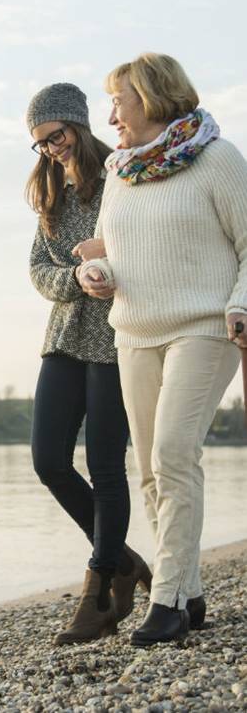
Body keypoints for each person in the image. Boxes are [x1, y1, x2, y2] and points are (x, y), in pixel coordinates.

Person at [76, 52, 247, 646]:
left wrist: (240, 303)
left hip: (205, 327)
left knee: (174, 455)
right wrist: (97, 273)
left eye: (118, 100)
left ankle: (167, 601)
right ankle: (190, 590)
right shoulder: (122, 172)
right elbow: (118, 253)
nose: (111, 114)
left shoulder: (217, 159)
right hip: (135, 332)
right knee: (147, 469)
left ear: (149, 97)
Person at [25, 83, 151, 645]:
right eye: (41, 143)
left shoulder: (121, 178)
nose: (52, 149)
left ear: (78, 125)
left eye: (57, 135)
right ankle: (121, 560)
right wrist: (73, 278)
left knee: (104, 465)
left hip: (117, 336)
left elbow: (146, 244)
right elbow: (36, 269)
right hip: (64, 336)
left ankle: (100, 587)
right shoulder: (50, 191)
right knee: (48, 459)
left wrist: (107, 261)